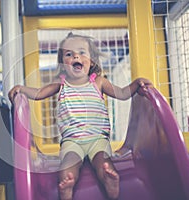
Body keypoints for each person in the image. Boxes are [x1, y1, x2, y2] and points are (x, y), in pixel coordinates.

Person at [8, 32, 152, 200]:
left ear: (91, 61)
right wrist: (22, 89)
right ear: (63, 64)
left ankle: (109, 180)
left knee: (103, 161)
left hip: (97, 138)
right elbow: (39, 93)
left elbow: (122, 93)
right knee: (68, 163)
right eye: (69, 54)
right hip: (72, 140)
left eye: (81, 52)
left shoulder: (98, 82)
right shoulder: (60, 84)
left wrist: (136, 84)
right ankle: (67, 185)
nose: (76, 55)